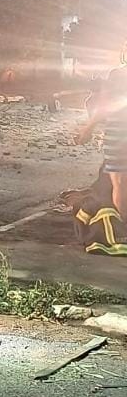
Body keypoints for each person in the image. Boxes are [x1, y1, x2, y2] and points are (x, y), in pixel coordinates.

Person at [73, 44, 127, 253]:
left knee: (120, 183)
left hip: (119, 134)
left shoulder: (117, 75)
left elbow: (104, 105)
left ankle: (123, 230)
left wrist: (88, 129)